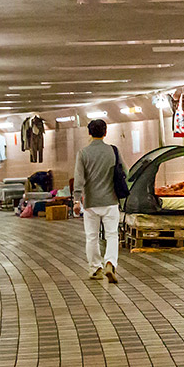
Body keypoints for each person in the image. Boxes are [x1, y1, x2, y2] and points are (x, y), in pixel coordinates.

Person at [72, 118, 127, 283]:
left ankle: (96, 268)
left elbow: (78, 179)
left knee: (92, 237)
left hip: (91, 203)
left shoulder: (83, 153)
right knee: (112, 235)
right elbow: (126, 172)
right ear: (105, 132)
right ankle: (110, 263)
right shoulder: (113, 151)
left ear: (89, 133)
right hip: (111, 201)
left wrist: (76, 200)